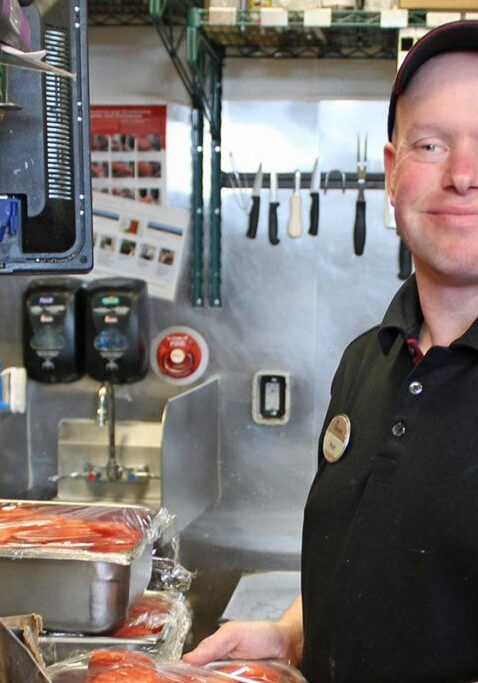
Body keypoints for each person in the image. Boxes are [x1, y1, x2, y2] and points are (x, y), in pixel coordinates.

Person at [185, 19, 478, 681]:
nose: (463, 174)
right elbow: (375, 563)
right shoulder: (366, 361)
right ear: (391, 171)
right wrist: (290, 633)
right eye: (432, 143)